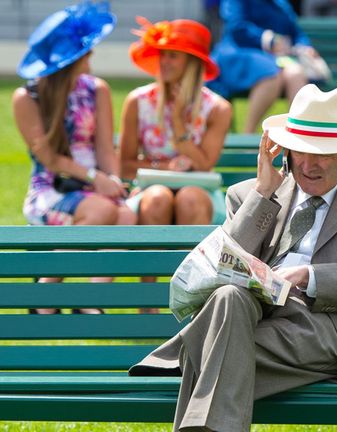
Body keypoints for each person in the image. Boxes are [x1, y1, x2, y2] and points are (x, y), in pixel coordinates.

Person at [129, 83, 337, 431]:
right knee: (229, 296)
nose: (308, 164)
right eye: (299, 150)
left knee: (211, 348)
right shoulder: (249, 194)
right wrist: (264, 192)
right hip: (250, 318)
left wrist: (310, 276)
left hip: (321, 327)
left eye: (322, 153)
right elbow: (221, 264)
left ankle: (191, 349)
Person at [12, 1, 136, 315]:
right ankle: (44, 295)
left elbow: (106, 149)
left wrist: (115, 181)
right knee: (102, 209)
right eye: (84, 50)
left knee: (127, 215)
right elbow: (50, 159)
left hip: (95, 187)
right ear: (70, 59)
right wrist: (98, 180)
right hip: (51, 190)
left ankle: (89, 299)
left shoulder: (98, 90)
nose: (91, 54)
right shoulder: (28, 98)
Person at [120, 17, 232, 314]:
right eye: (162, 55)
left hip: (200, 192)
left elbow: (206, 164)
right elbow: (125, 166)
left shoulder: (217, 107)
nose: (163, 62)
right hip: (148, 191)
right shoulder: (138, 101)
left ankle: (192, 299)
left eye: (172, 55)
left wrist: (181, 132)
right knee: (158, 196)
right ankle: (149, 303)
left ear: (192, 62)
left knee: (190, 196)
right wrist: (165, 164)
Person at [207, 0, 327, 133]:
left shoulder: (280, 3)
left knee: (296, 74)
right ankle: (248, 136)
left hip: (275, 57)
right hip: (240, 52)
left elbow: (296, 32)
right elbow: (237, 27)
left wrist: (305, 47)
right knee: (270, 73)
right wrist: (268, 40)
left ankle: (295, 136)